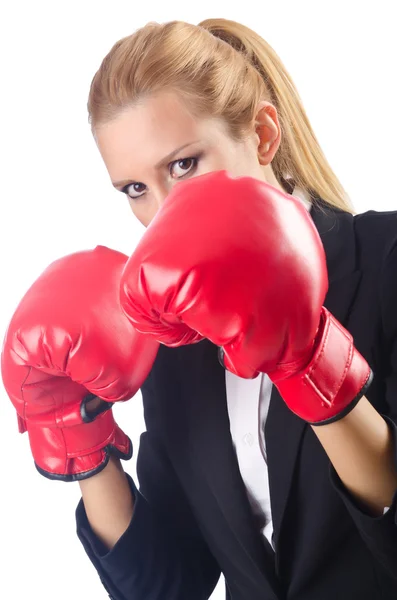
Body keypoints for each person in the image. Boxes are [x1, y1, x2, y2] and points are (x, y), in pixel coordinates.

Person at [2, 17, 397, 600]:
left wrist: (311, 358)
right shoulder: (173, 329)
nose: (162, 212)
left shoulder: (386, 261)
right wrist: (80, 443)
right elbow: (171, 585)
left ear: (263, 135)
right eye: (134, 189)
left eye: (183, 165)